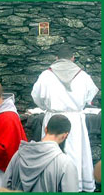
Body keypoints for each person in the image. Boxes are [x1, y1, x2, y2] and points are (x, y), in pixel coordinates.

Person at [31, 45, 99, 192]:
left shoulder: (46, 76)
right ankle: (75, 184)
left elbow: (36, 97)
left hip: (53, 118)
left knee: (51, 151)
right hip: (74, 120)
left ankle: (51, 184)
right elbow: (90, 96)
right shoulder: (83, 76)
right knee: (75, 151)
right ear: (72, 58)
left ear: (56, 58)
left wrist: (47, 107)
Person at [3, 114, 78, 192]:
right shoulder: (65, 163)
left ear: (45, 129)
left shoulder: (19, 154)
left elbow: (5, 185)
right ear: (65, 136)